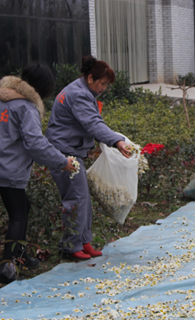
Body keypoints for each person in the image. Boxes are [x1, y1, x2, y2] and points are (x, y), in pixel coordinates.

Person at [0, 63, 75, 284]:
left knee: (23, 207)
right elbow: (35, 143)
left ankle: (20, 255)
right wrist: (62, 161)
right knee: (18, 215)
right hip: (8, 171)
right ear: (43, 89)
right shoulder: (26, 108)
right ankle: (6, 267)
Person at [46, 55, 131, 261]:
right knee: (76, 198)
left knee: (82, 197)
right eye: (102, 83)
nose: (104, 88)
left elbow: (93, 122)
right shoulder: (79, 95)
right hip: (64, 153)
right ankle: (70, 246)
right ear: (90, 78)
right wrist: (117, 141)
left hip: (70, 150)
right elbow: (93, 124)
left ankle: (83, 241)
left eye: (106, 85)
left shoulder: (81, 90)